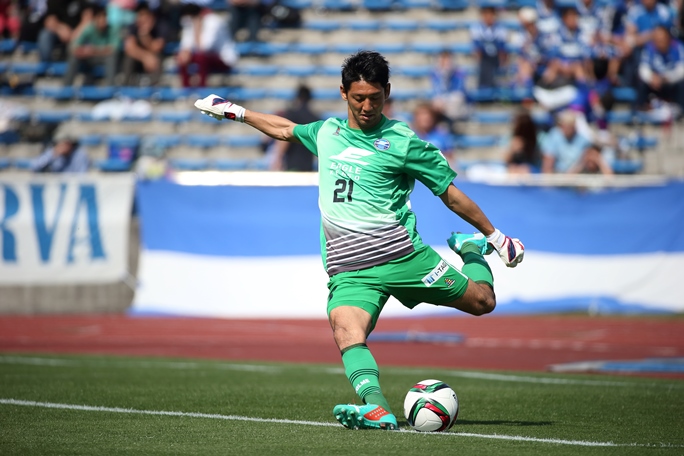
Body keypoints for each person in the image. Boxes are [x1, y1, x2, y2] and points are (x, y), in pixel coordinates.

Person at [194, 51, 524, 431]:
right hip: (350, 270)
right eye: (359, 98)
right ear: (343, 93)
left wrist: (494, 236)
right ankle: (378, 410)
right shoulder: (327, 133)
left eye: (375, 98)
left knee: (483, 302)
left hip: (404, 258)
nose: (367, 107)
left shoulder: (403, 142)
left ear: (387, 92)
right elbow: (284, 128)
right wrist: (235, 111)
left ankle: (469, 250)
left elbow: (449, 194)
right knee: (345, 329)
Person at [177, 2, 238, 88]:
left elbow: (205, 48)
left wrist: (197, 30)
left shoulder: (214, 22)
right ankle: (186, 89)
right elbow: (185, 45)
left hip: (223, 58)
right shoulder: (189, 22)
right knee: (181, 57)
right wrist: (185, 53)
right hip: (204, 58)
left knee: (201, 57)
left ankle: (202, 88)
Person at [63, 5, 121, 86]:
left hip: (104, 57)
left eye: (104, 17)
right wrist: (83, 51)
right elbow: (73, 46)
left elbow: (114, 49)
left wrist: (94, 50)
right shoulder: (89, 29)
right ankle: (66, 86)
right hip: (90, 58)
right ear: (95, 19)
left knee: (112, 57)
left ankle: (110, 87)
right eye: (99, 17)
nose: (102, 20)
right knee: (74, 57)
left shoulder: (112, 29)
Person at [637, 25, 684, 117]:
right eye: (657, 39)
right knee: (641, 83)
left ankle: (680, 111)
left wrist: (667, 77)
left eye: (662, 39)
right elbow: (643, 68)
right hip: (655, 84)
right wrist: (651, 78)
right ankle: (639, 112)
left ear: (668, 38)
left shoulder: (678, 46)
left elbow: (682, 69)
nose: (660, 42)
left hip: (672, 82)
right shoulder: (650, 47)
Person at [271, 85, 321, 171]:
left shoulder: (292, 115)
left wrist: (278, 158)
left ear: (298, 97)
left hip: (293, 165)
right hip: (307, 166)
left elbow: (285, 137)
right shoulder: (315, 118)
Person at [122, 2, 166, 85]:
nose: (141, 18)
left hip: (153, 58)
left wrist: (145, 36)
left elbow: (157, 47)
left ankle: (155, 86)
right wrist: (145, 57)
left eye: (144, 15)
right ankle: (126, 85)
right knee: (129, 59)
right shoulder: (133, 27)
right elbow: (129, 48)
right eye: (140, 15)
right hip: (140, 59)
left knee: (157, 57)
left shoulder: (160, 25)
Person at [470, 5, 507, 89]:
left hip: (495, 58)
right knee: (485, 65)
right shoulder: (476, 28)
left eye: (491, 14)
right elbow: (477, 49)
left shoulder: (500, 28)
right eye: (486, 14)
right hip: (484, 59)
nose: (489, 17)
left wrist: (502, 63)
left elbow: (502, 49)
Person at [430, 50, 468, 123]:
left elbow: (459, 90)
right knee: (436, 103)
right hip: (443, 101)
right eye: (443, 61)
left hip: (455, 99)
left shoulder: (460, 72)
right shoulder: (435, 73)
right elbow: (437, 90)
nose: (446, 63)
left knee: (457, 99)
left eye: (448, 60)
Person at [503, 109, 540, 174]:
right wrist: (512, 150)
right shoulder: (509, 137)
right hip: (513, 169)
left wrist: (528, 146)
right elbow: (505, 159)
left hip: (532, 169)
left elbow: (540, 160)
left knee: (525, 169)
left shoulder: (539, 137)